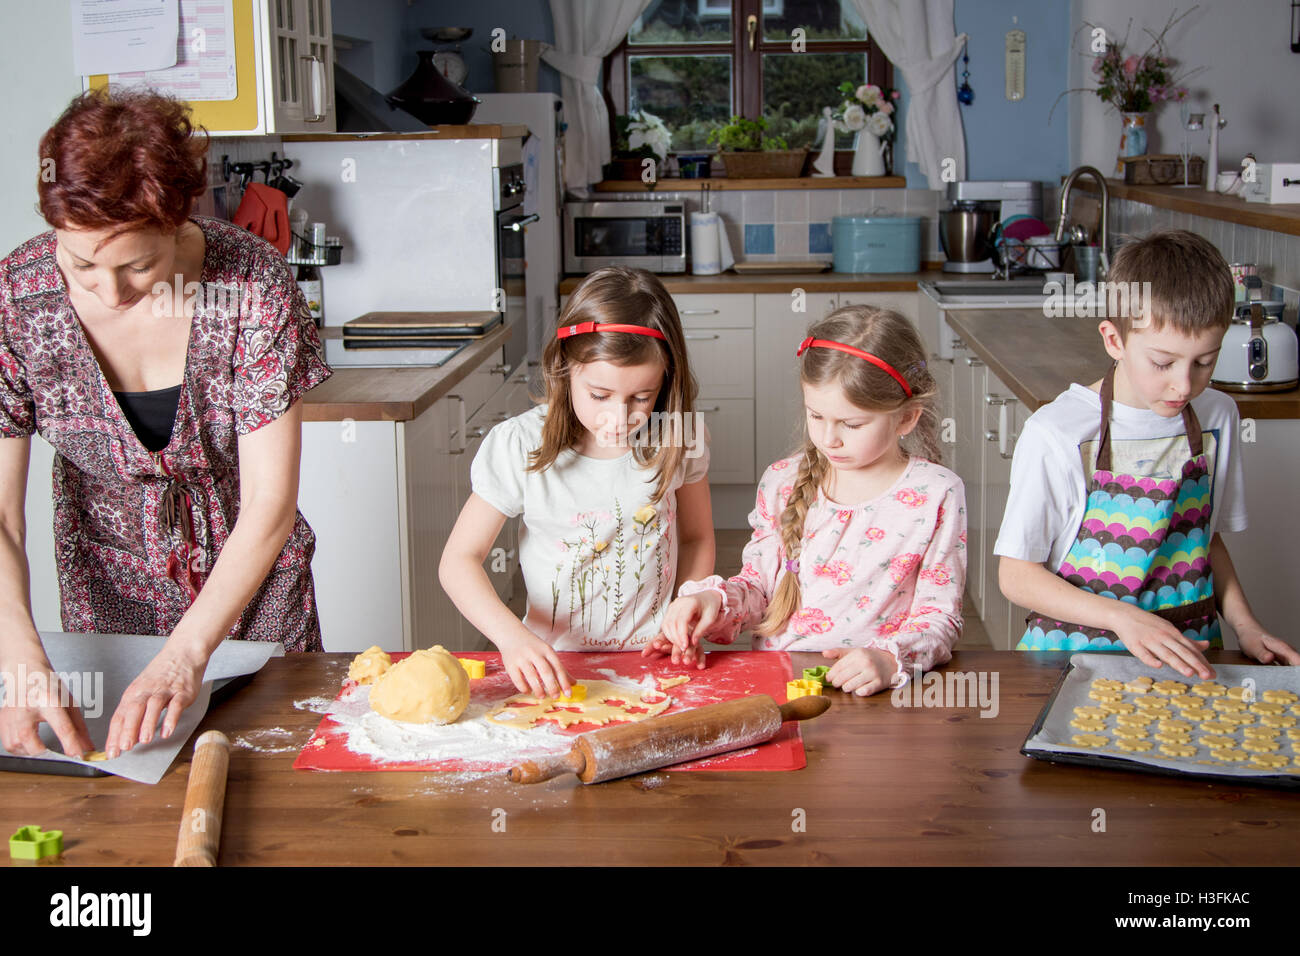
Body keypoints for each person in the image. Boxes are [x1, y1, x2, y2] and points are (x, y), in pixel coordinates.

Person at [0, 89, 331, 761]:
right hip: (105, 595)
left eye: (138, 265)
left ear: (179, 220)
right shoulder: (16, 297)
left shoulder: (251, 287)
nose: (109, 292)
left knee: (278, 780)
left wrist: (187, 655)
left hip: (252, 592)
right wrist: (19, 657)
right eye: (81, 263)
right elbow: (1, 518)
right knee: (123, 795)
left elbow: (269, 505)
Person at [996, 230, 1298, 675]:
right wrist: (1124, 619)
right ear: (1114, 340)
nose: (1184, 385)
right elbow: (1017, 576)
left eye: (1205, 362)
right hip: (1071, 658)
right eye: (1163, 363)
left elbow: (1206, 541)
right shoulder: (1058, 433)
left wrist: (1245, 625)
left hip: (1190, 653)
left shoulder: (1218, 417)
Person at [654, 307, 966, 696]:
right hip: (782, 685)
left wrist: (890, 660)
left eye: (852, 424)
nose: (829, 438)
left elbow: (939, 617)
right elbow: (759, 589)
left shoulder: (936, 494)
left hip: (878, 695)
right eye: (816, 416)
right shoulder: (782, 481)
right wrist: (712, 601)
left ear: (906, 419)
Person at [439, 266, 714, 696]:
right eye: (600, 396)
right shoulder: (519, 444)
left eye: (642, 397)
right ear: (565, 368)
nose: (619, 418)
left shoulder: (679, 435)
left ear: (666, 380)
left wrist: (685, 606)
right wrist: (512, 639)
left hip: (653, 659)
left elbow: (697, 538)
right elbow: (459, 561)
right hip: (553, 665)